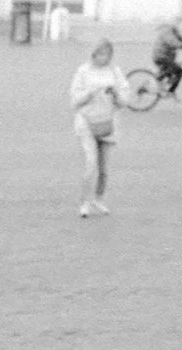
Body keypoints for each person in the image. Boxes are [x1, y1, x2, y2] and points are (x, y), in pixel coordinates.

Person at [69, 40, 125, 217]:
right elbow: (75, 101)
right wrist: (90, 93)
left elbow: (124, 101)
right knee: (91, 163)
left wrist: (115, 93)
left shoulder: (115, 72)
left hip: (107, 122)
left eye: (107, 54)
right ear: (93, 54)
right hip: (86, 121)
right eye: (100, 54)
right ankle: (84, 202)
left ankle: (99, 199)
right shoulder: (83, 71)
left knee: (104, 167)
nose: (103, 58)